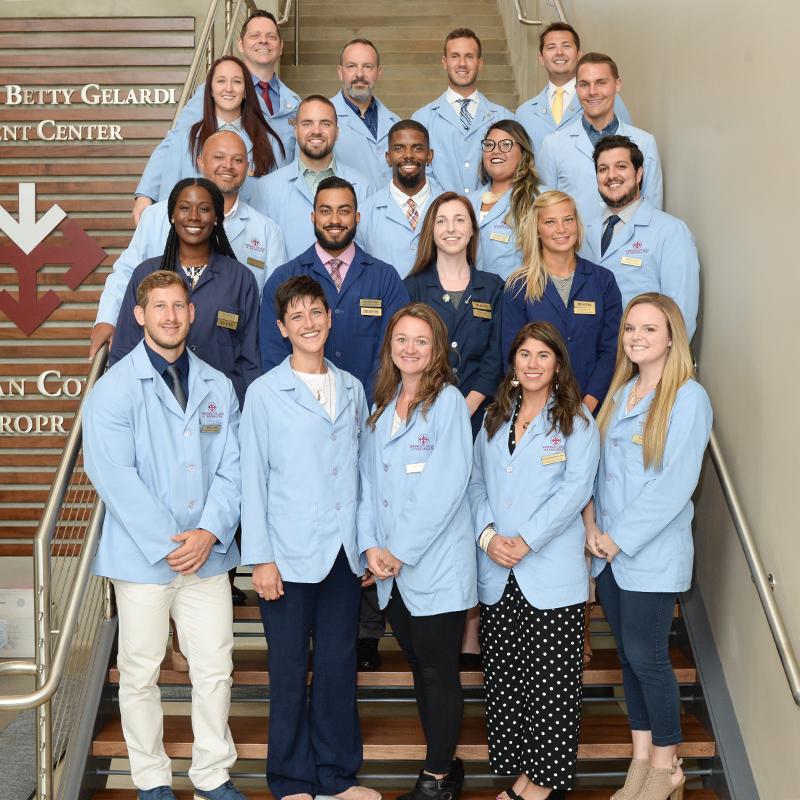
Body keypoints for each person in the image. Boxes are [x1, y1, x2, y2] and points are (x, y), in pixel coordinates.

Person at [84, 270, 246, 800]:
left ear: (192, 313)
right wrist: (172, 542)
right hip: (143, 560)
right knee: (138, 673)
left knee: (215, 668)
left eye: (179, 305)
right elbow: (112, 475)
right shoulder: (113, 390)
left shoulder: (217, 385)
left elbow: (233, 468)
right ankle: (152, 780)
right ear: (140, 315)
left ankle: (211, 775)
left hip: (207, 557)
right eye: (159, 306)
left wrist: (208, 533)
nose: (171, 316)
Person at [239, 275, 378, 800]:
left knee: (339, 667)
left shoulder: (353, 388)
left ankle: (337, 777)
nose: (309, 323)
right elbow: (253, 480)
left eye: (316, 312)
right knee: (290, 669)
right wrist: (261, 559)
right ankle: (292, 780)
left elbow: (363, 473)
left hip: (342, 553)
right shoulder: (264, 394)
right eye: (296, 316)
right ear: (282, 328)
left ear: (329, 317)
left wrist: (366, 543)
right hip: (287, 555)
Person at [585, 293, 712, 800]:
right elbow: (598, 474)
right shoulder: (621, 394)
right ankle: (640, 764)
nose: (636, 337)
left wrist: (617, 538)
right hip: (609, 556)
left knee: (649, 658)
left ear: (672, 337)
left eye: (649, 329)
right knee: (629, 660)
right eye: (630, 328)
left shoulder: (688, 397)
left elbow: (675, 484)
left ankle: (667, 768)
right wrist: (594, 529)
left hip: (649, 555)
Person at [468, 321, 600, 800]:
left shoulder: (577, 423)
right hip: (498, 572)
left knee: (552, 689)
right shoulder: (494, 417)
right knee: (510, 684)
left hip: (549, 571)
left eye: (543, 355)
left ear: (558, 364)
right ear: (513, 363)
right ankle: (525, 776)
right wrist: (487, 538)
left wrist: (525, 540)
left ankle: (543, 786)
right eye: (524, 354)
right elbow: (475, 483)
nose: (532, 363)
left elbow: (575, 491)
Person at [357, 303, 476, 800]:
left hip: (434, 566)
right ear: (390, 346)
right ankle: (445, 767)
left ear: (436, 349)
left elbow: (443, 488)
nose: (410, 348)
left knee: (437, 671)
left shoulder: (448, 404)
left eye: (421, 341)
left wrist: (398, 552)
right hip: (391, 571)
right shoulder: (381, 407)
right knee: (420, 671)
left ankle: (435, 779)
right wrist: (370, 547)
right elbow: (365, 487)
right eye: (401, 339)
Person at [90, 130, 285, 359]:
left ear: (248, 167)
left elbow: (273, 303)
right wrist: (107, 319)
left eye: (238, 160)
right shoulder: (156, 216)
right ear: (200, 162)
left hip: (225, 355)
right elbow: (126, 272)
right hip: (162, 352)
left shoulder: (266, 231)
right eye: (219, 157)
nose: (228, 166)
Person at [132, 9, 299, 223]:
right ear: (240, 44)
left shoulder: (295, 103)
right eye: (255, 36)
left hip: (266, 211)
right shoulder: (214, 94)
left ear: (281, 46)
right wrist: (146, 193)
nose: (263, 41)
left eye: (271, 36)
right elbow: (174, 141)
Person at [110, 178, 260, 410]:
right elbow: (124, 350)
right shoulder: (146, 274)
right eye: (184, 208)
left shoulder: (240, 278)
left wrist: (248, 414)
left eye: (204, 209)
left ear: (217, 217)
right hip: (154, 406)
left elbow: (251, 359)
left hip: (222, 408)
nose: (194, 217)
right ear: (172, 215)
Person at [259, 176, 409, 402]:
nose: (334, 219)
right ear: (313, 217)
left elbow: (394, 351)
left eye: (344, 211)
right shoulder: (283, 278)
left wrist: (365, 407)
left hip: (371, 410)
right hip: (298, 410)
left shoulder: (385, 278)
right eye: (325, 211)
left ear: (357, 217)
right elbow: (273, 354)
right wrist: (302, 408)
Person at [502, 190, 622, 413]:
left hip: (592, 407)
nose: (561, 229)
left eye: (568, 220)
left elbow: (611, 350)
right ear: (537, 230)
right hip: (537, 410)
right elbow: (512, 356)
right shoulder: (518, 287)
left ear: (577, 224)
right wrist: (537, 408)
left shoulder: (603, 281)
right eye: (550, 222)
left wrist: (588, 404)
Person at [580, 135, 700, 339]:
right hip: (595, 352)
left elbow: (681, 314)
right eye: (603, 169)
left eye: (621, 166)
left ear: (638, 174)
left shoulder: (670, 231)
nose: (611, 175)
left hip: (644, 353)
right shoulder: (584, 233)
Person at [404, 192, 503, 438]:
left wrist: (469, 405)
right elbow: (405, 352)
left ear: (472, 230)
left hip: (481, 415)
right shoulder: (412, 287)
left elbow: (496, 355)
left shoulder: (493, 288)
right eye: (441, 221)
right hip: (424, 412)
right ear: (431, 231)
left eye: (459, 220)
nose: (451, 228)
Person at [134, 55, 284, 207]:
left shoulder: (269, 142)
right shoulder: (183, 140)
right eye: (221, 81)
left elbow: (276, 204)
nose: (229, 88)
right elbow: (168, 203)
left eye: (237, 82)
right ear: (210, 90)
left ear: (246, 91)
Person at [538, 53, 663, 220]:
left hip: (628, 237)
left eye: (601, 82)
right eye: (584, 84)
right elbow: (545, 211)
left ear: (617, 85)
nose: (592, 92)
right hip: (575, 238)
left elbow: (652, 212)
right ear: (576, 89)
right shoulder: (553, 145)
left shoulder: (644, 142)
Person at [249, 95, 374, 259]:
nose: (316, 131)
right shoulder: (266, 188)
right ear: (295, 130)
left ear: (337, 132)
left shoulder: (364, 187)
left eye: (325, 124)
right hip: (286, 277)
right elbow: (257, 254)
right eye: (307, 123)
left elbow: (369, 251)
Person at [412, 28, 514, 195]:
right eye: (455, 56)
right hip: (440, 208)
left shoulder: (505, 117)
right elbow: (420, 173)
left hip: (492, 208)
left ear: (480, 63)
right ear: (444, 62)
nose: (462, 63)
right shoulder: (422, 119)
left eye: (469, 56)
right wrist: (449, 205)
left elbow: (512, 171)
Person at [515, 22, 631, 156]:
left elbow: (628, 149)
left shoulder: (608, 100)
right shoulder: (524, 113)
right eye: (551, 47)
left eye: (566, 46)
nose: (559, 52)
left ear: (579, 55)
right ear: (541, 58)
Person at [357, 119, 444, 278]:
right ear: (388, 157)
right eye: (398, 149)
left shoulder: (449, 206)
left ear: (429, 155)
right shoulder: (364, 213)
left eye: (417, 148)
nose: (408, 155)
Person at [472, 120, 544, 280]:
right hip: (470, 294)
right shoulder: (467, 202)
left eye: (506, 144)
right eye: (489, 145)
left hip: (518, 293)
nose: (495, 151)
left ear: (523, 152)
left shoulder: (540, 199)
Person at [332, 38, 401, 188]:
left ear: (378, 73)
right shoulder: (323, 119)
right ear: (340, 72)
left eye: (367, 67)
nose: (359, 74)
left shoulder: (396, 122)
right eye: (351, 66)